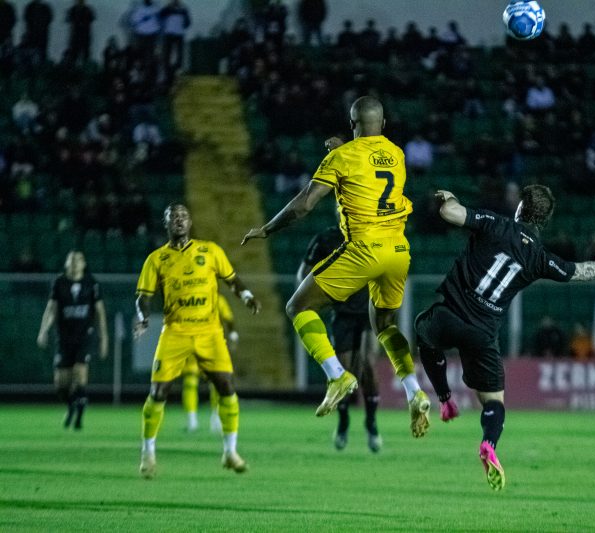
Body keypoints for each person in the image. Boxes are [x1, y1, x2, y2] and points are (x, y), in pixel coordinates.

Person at [415, 186, 595, 490]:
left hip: (450, 313)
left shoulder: (496, 223)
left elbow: (449, 213)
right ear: (544, 221)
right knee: (494, 402)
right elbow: (581, 271)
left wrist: (448, 198)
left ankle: (444, 400)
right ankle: (488, 443)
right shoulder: (539, 258)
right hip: (482, 334)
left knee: (423, 330)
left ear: (520, 207)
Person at [242, 95, 431, 438]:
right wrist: (341, 150)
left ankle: (337, 374)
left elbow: (304, 205)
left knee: (298, 305)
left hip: (365, 248)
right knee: (385, 325)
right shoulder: (397, 154)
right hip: (399, 250)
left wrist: (267, 228)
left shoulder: (341, 157)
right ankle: (414, 390)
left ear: (351, 123)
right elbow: (368, 162)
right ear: (383, 124)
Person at [134, 203, 262, 478]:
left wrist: (248, 297)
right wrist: (143, 318)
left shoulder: (210, 251)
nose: (179, 221)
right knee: (158, 393)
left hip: (210, 333)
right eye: (173, 217)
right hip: (175, 332)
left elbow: (232, 280)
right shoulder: (156, 259)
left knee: (227, 387)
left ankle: (230, 452)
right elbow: (143, 297)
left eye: (183, 216)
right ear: (166, 223)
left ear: (190, 222)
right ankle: (148, 452)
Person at [298, 226, 382, 453]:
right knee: (343, 370)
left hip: (368, 311)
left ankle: (371, 423)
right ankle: (344, 422)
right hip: (342, 313)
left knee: (367, 364)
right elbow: (303, 273)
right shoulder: (325, 239)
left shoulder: (371, 233)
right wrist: (314, 297)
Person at [36, 251, 108, 430]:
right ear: (67, 263)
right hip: (64, 339)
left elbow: (99, 312)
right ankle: (71, 407)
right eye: (72, 260)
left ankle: (79, 418)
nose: (75, 263)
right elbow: (51, 309)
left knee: (80, 373)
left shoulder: (91, 283)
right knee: (61, 385)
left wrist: (103, 337)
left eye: (78, 260)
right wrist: (43, 330)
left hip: (84, 337)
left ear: (84, 264)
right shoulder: (59, 283)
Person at [181, 293, 238, 433]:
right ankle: (192, 419)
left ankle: (215, 417)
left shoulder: (217, 299)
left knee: (215, 382)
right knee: (190, 381)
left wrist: (232, 334)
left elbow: (229, 318)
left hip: (212, 343)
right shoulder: (189, 296)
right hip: (192, 342)